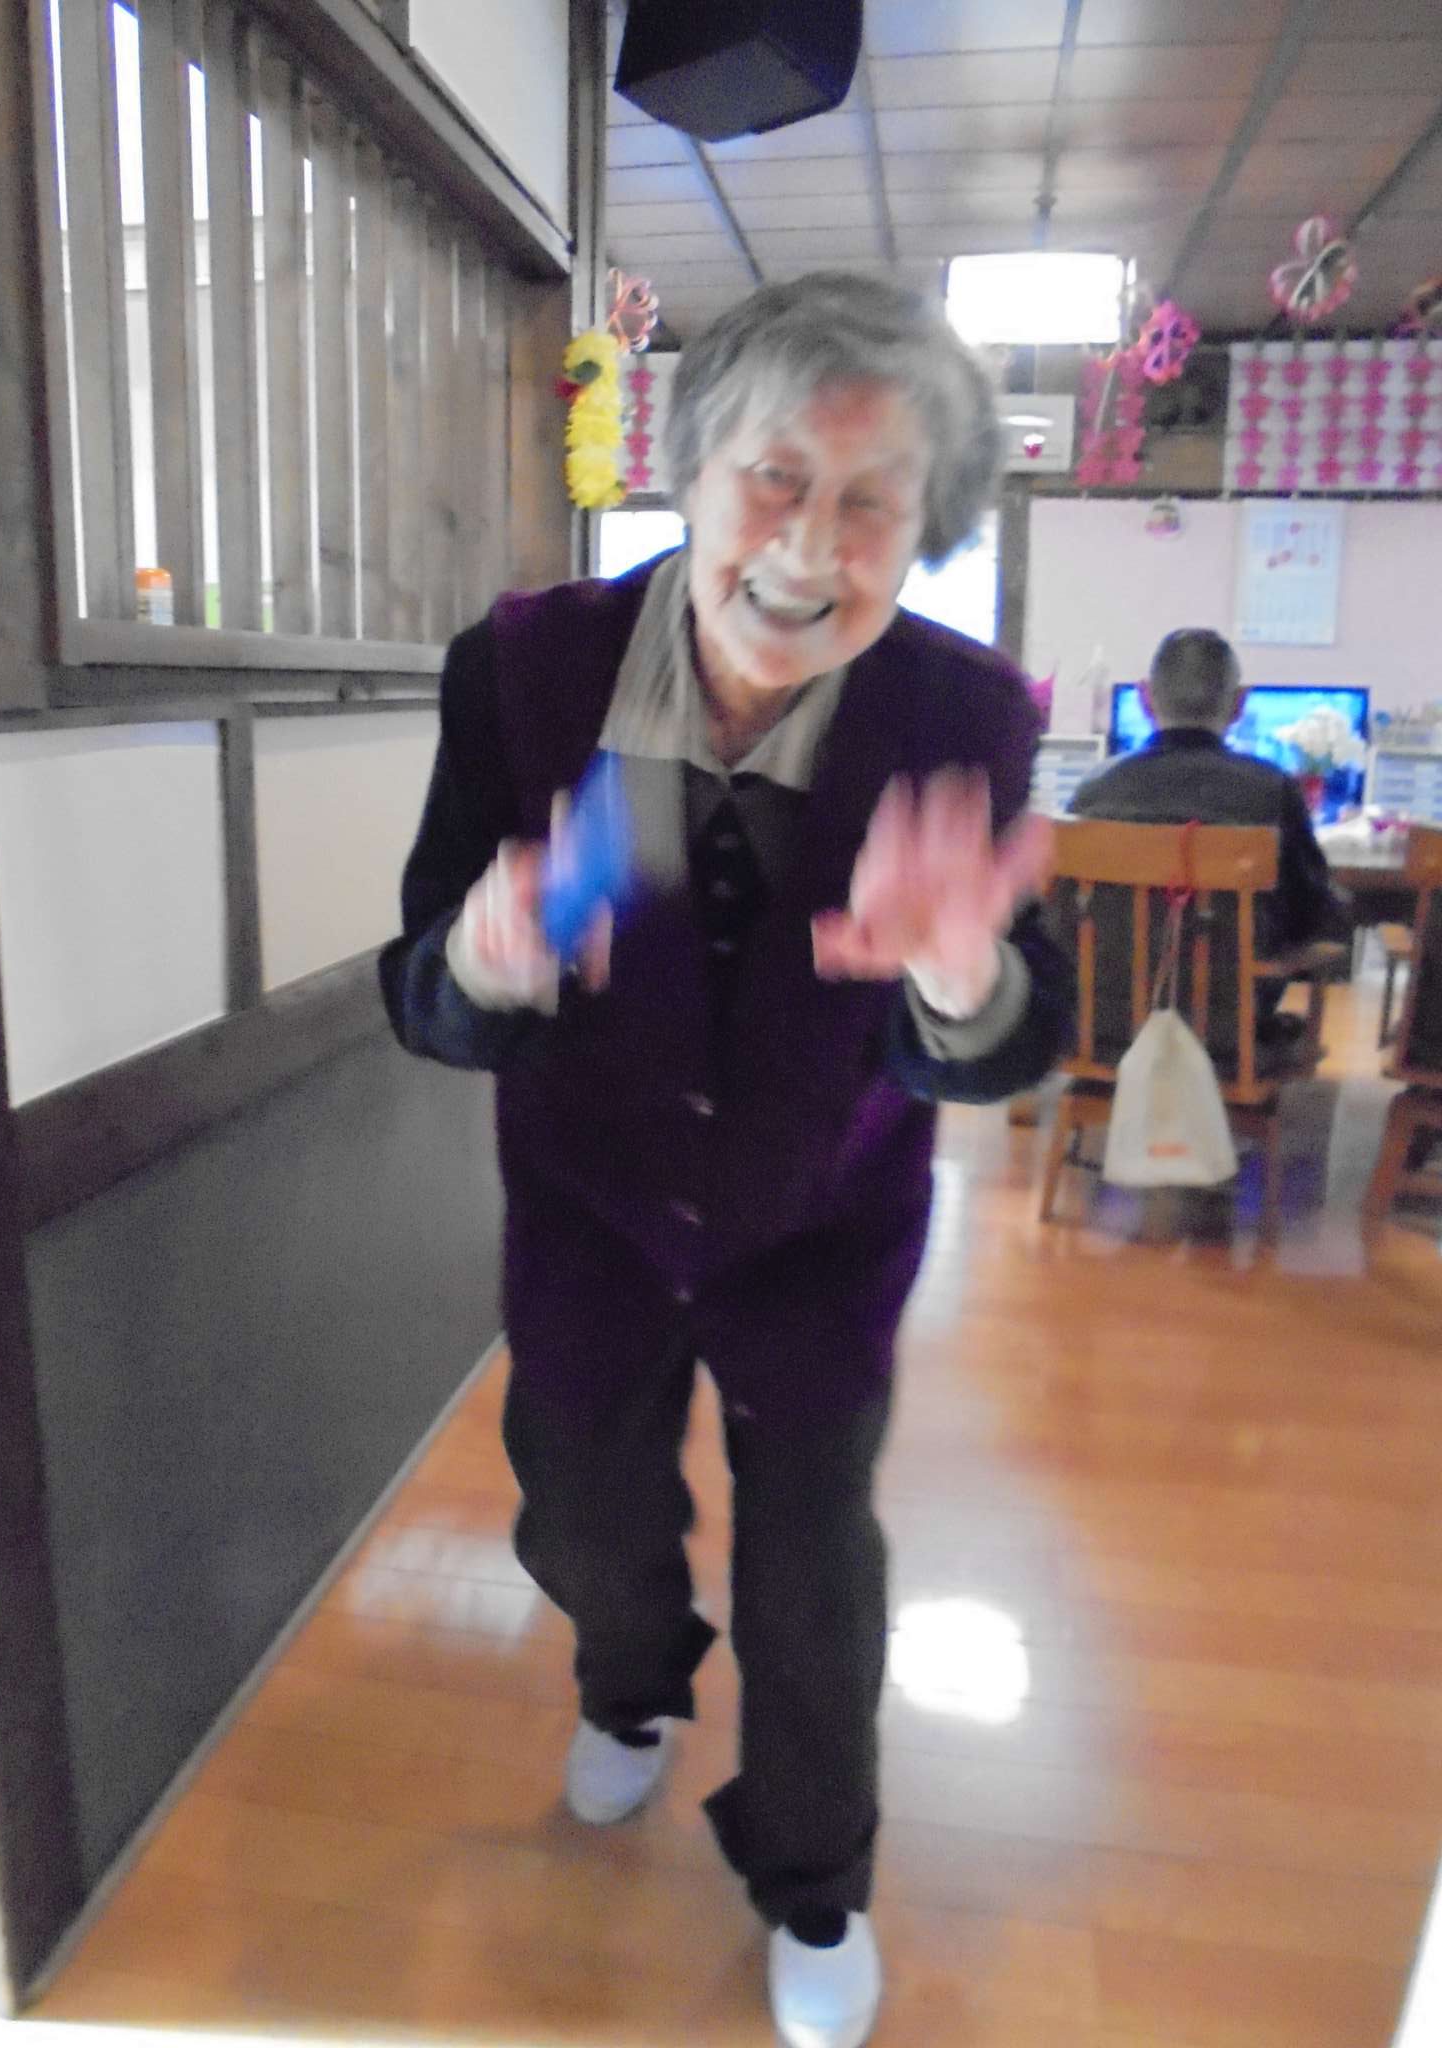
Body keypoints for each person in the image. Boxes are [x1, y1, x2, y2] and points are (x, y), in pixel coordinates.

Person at [378, 272, 1074, 2048]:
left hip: (822, 1221)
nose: (809, 547)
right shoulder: (524, 673)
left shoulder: (967, 717)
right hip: (592, 1208)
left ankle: (816, 1878)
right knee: (583, 1516)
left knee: (814, 1577)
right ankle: (630, 1687)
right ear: (686, 471)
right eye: (775, 478)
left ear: (926, 533)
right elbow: (422, 987)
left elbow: (1011, 1035)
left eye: (872, 504)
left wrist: (960, 975)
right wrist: (487, 957)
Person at [1070, 627, 1350, 1037]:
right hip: (1226, 1039)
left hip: (1103, 1033)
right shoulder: (1271, 791)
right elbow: (1311, 914)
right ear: (1240, 703)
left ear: (1145, 698)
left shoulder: (1093, 791)